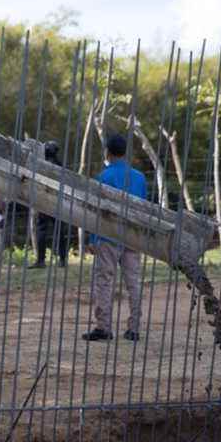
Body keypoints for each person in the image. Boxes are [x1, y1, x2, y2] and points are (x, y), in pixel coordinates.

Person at [83, 134, 147, 342]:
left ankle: (103, 327)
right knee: (133, 282)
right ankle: (134, 327)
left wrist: (92, 239)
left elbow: (96, 211)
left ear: (108, 153)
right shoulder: (139, 177)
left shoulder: (103, 177)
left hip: (108, 235)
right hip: (132, 236)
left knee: (104, 281)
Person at [28, 141, 71, 269]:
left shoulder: (41, 164)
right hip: (56, 201)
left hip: (44, 199)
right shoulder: (60, 165)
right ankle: (63, 259)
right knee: (59, 230)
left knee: (42, 229)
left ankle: (41, 260)